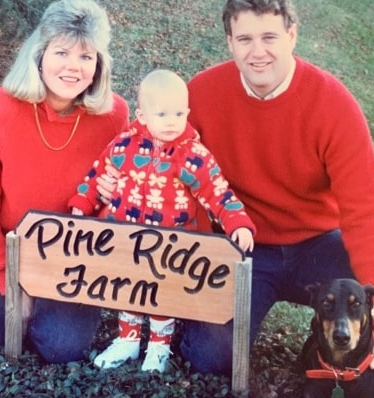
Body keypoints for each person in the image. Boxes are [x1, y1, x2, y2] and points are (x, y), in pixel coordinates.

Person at [173, 0, 374, 377]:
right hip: (241, 246)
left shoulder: (333, 105)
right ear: (229, 41)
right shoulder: (201, 94)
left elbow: (366, 213)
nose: (258, 52)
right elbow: (173, 170)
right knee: (211, 359)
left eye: (269, 37)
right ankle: (201, 326)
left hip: (316, 245)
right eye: (244, 39)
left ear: (292, 35)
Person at [0, 0, 129, 372]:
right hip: (5, 248)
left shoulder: (114, 115)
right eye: (62, 52)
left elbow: (115, 204)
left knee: (62, 348)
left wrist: (110, 199)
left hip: (72, 258)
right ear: (39, 54)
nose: (73, 67)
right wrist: (10, 281)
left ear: (99, 65)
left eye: (86, 57)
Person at [69, 69, 256, 372]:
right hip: (126, 237)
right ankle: (128, 340)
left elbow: (216, 190)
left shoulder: (191, 155)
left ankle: (158, 346)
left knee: (161, 294)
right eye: (163, 114)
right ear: (141, 115)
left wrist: (237, 221)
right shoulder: (123, 145)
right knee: (129, 287)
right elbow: (98, 174)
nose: (172, 121)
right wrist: (83, 201)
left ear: (188, 113)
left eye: (179, 113)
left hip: (170, 245)